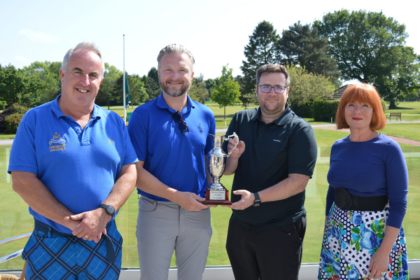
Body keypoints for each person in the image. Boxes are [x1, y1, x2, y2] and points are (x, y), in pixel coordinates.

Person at [8, 42, 138, 280]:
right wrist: (72, 223)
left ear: (100, 82)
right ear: (62, 74)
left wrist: (104, 213)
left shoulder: (115, 122)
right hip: (50, 242)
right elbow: (22, 181)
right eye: (78, 71)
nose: (85, 81)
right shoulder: (34, 120)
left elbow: (129, 172)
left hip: (103, 240)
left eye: (93, 75)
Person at [127, 44, 216, 280]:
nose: (175, 76)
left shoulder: (206, 115)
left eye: (182, 70)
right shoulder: (142, 115)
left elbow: (210, 168)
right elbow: (135, 172)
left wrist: (214, 190)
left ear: (192, 75)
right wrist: (177, 196)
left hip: (198, 211)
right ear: (158, 73)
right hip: (155, 212)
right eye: (168, 70)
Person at [222, 64, 318, 280]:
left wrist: (255, 198)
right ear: (256, 90)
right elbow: (227, 170)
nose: (272, 92)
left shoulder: (300, 129)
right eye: (266, 86)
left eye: (278, 87)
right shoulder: (240, 120)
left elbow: (298, 182)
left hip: (281, 230)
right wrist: (234, 158)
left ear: (287, 91)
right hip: (240, 227)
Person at [318, 84, 409, 280]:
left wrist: (384, 252)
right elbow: (332, 192)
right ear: (343, 110)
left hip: (374, 236)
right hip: (337, 233)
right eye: (351, 104)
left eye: (365, 105)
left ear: (375, 111)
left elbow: (399, 205)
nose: (357, 111)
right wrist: (328, 231)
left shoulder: (389, 148)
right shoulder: (338, 147)